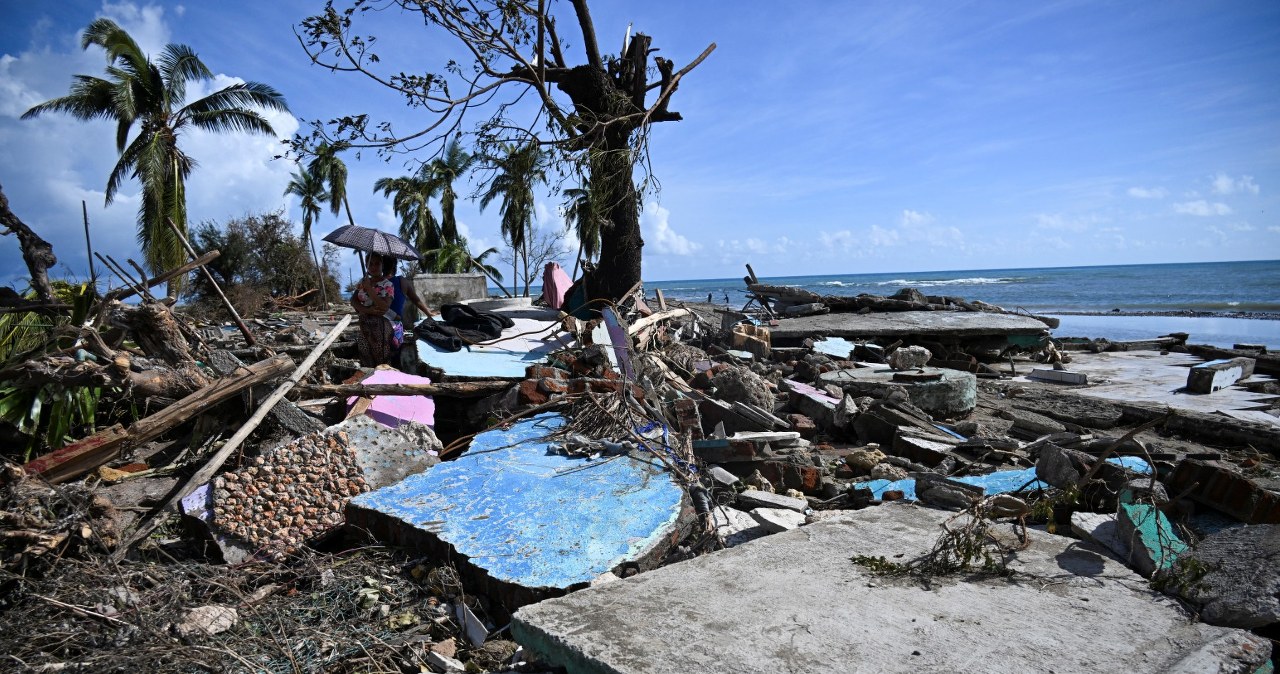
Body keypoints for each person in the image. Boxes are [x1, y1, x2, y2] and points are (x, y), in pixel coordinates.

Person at [352, 253, 433, 367]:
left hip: (385, 325)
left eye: (377, 263)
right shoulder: (368, 282)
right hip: (373, 322)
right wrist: (429, 313)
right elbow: (416, 300)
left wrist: (367, 300)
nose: (373, 267)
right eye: (370, 264)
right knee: (367, 349)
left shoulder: (387, 284)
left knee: (376, 352)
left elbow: (383, 307)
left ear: (382, 265)